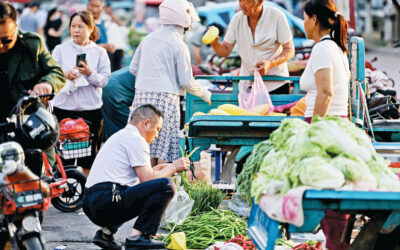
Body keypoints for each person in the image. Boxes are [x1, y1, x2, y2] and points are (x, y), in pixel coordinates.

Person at [83, 104, 190, 250]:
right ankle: (139, 237)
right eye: (157, 129)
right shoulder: (136, 139)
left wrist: (158, 170)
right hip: (104, 200)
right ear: (146, 123)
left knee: (153, 186)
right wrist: (173, 167)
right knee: (167, 186)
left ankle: (106, 234)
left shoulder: (123, 135)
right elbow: (148, 180)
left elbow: (144, 180)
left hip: (94, 201)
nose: (157, 135)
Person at [129, 0, 212, 166]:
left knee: (144, 147)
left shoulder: (148, 39)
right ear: (184, 23)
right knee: (164, 151)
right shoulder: (179, 44)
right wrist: (205, 94)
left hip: (141, 97)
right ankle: (163, 186)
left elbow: (133, 68)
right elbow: (186, 81)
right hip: (166, 99)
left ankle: (145, 184)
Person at [299, 0, 350, 249]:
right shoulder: (335, 48)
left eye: (304, 17)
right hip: (335, 124)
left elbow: (326, 93)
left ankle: (337, 246)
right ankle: (337, 245)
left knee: (328, 194)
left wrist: (314, 133)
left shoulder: (322, 49)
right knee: (332, 194)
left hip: (325, 125)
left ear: (314, 20)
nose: (303, 23)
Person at [0, 2, 65, 174]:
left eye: (6, 40)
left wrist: (47, 83)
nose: (0, 46)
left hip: (30, 126)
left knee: (40, 181)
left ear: (16, 25)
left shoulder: (32, 45)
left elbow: (55, 71)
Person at [51, 10, 111, 176]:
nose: (76, 30)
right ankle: (64, 193)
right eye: (73, 26)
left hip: (90, 112)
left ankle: (88, 192)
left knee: (90, 157)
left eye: (81, 26)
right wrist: (64, 74)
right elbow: (51, 73)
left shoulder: (99, 52)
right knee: (62, 158)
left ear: (91, 28)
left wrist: (89, 73)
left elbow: (104, 80)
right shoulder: (60, 49)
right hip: (64, 110)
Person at [209, 0, 295, 94]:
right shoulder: (237, 19)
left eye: (247, 1)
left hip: (276, 84)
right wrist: (215, 43)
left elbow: (289, 50)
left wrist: (270, 63)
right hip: (248, 84)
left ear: (259, 2)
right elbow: (225, 50)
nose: (241, 5)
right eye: (240, 0)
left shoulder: (276, 16)